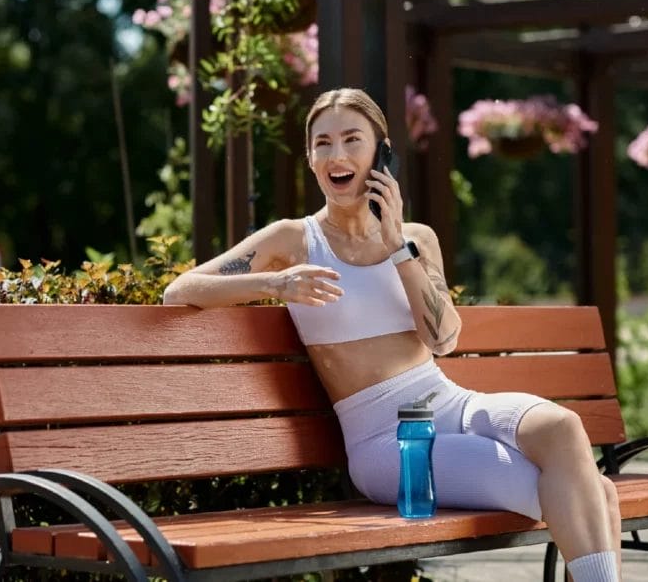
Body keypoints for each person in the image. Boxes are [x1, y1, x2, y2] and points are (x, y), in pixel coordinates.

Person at [163, 88, 622, 581]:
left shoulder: (417, 240)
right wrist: (275, 282)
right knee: (591, 491)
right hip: (386, 440)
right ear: (310, 158)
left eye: (351, 140)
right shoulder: (294, 241)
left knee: (563, 429)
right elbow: (179, 290)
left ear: (382, 153)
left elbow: (444, 339)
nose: (336, 156)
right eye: (322, 143)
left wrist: (396, 247)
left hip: (452, 403)